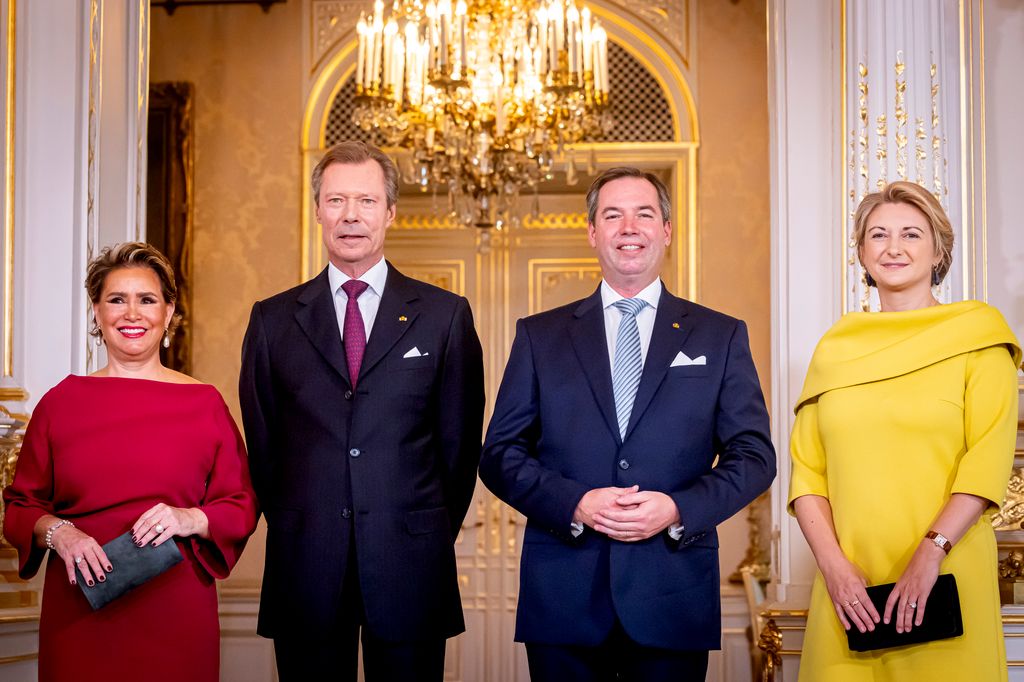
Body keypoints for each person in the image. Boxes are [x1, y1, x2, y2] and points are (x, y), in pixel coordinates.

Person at [479, 167, 777, 681]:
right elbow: (500, 454)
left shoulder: (720, 335)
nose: (628, 227)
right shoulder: (539, 336)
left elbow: (754, 456)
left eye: (644, 214)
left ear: (666, 229)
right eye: (612, 215)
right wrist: (573, 502)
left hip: (673, 592)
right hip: (564, 596)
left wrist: (679, 508)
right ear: (593, 232)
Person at [239, 140, 485, 682]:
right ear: (319, 211)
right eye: (337, 201)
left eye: (367, 201)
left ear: (390, 212)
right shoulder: (273, 320)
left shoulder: (444, 316)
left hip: (411, 564)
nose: (351, 215)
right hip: (305, 561)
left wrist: (423, 526)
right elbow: (264, 444)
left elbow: (460, 446)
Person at [789, 181, 1021, 680]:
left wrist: (929, 553)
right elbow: (807, 473)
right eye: (878, 235)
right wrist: (833, 569)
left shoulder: (980, 336)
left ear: (938, 249)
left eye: (911, 234)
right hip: (848, 585)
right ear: (861, 253)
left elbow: (987, 459)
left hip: (946, 569)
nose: (893, 248)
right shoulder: (836, 346)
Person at [3, 242, 259, 682]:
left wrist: (188, 517)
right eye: (116, 300)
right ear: (97, 313)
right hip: (79, 609)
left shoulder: (204, 404)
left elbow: (241, 503)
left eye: (147, 299)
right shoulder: (60, 403)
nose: (132, 313)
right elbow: (20, 509)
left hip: (176, 612)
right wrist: (60, 534)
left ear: (169, 311)